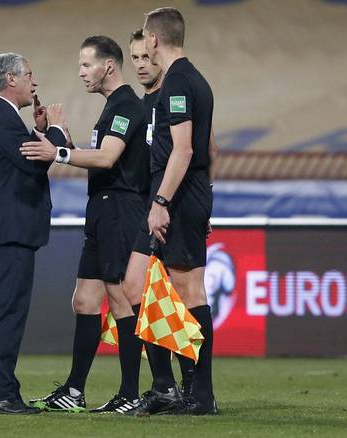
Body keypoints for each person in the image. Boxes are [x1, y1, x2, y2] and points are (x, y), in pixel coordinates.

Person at [20, 35, 149, 414]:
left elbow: (108, 159)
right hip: (102, 209)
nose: (80, 73)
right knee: (85, 300)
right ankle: (74, 391)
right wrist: (55, 134)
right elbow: (96, 155)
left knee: (120, 298)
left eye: (86, 65)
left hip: (121, 211)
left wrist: (58, 153)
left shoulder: (126, 105)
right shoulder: (112, 107)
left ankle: (130, 393)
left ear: (108, 65)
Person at [0, 52, 67, 415]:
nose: (34, 82)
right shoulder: (1, 121)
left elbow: (24, 159)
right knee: (9, 314)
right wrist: (55, 129)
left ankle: (2, 391)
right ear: (10, 79)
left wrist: (39, 131)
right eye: (29, 75)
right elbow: (34, 165)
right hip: (6, 234)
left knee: (5, 314)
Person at [142, 7, 219, 415]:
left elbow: (185, 149)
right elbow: (212, 149)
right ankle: (192, 391)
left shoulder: (176, 82)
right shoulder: (197, 80)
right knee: (175, 291)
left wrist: (161, 202)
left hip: (179, 195)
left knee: (189, 291)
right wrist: (205, 197)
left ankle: (201, 395)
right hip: (192, 194)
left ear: (153, 40)